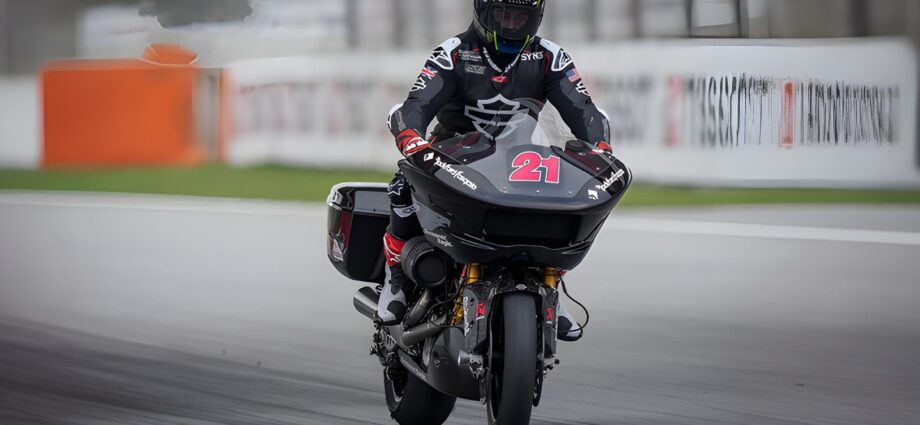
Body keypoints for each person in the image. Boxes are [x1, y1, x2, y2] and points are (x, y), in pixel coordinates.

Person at [378, 0, 611, 342]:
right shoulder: (454, 52)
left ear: (536, 17)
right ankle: (396, 278)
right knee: (402, 186)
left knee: (560, 200)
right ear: (483, 10)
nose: (511, 24)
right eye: (503, 14)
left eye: (520, 16)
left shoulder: (550, 57)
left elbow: (583, 109)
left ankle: (549, 285)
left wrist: (598, 144)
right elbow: (417, 105)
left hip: (519, 161)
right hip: (452, 157)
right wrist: (412, 137)